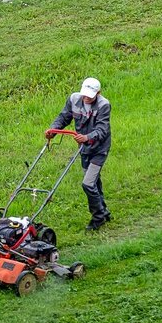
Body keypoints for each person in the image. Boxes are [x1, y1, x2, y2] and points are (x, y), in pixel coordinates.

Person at [46, 77, 112, 230]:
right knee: (93, 181)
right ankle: (104, 211)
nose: (86, 97)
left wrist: (87, 137)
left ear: (98, 93)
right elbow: (63, 117)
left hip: (99, 149)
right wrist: (53, 130)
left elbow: (103, 130)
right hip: (84, 148)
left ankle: (98, 217)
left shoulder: (104, 105)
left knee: (88, 183)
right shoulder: (74, 99)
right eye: (85, 94)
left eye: (90, 95)